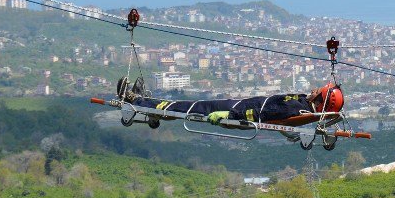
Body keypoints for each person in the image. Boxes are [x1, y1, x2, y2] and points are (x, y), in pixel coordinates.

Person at [117, 77, 344, 126]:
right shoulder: (303, 104)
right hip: (241, 104)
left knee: (188, 108)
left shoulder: (296, 108)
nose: (314, 89)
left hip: (238, 110)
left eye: (319, 90)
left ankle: (135, 100)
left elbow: (263, 113)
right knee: (188, 105)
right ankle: (148, 102)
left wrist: (230, 116)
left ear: (321, 99)